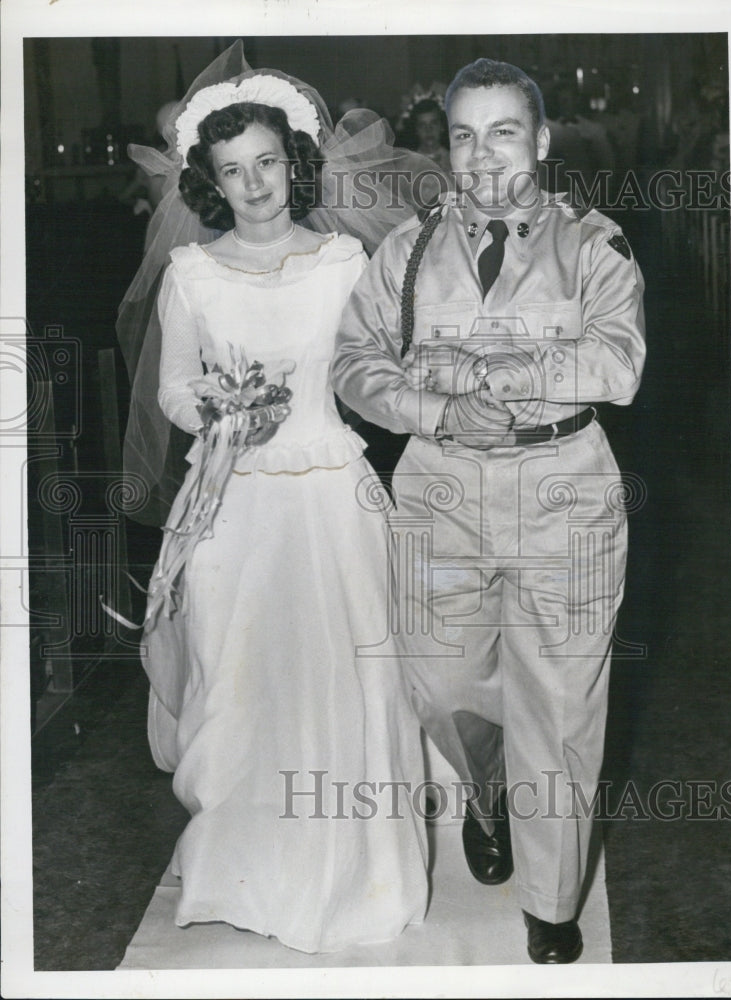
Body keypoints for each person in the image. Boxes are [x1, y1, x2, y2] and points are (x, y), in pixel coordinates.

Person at [332, 57, 646, 964]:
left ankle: (550, 904)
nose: (481, 155)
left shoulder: (593, 244)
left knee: (560, 702)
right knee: (437, 682)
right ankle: (488, 786)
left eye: (503, 131)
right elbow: (354, 366)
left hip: (565, 492)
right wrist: (435, 410)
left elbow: (616, 363)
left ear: (540, 142)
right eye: (463, 136)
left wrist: (501, 378)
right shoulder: (406, 250)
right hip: (438, 488)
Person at [121, 49, 429, 954]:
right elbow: (174, 388)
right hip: (231, 497)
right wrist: (214, 407)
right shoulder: (191, 272)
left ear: (292, 164)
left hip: (331, 489)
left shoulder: (343, 259)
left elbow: (376, 370)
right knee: (240, 672)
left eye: (265, 162)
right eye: (231, 171)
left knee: (349, 672)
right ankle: (242, 869)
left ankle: (359, 873)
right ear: (208, 183)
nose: (253, 185)